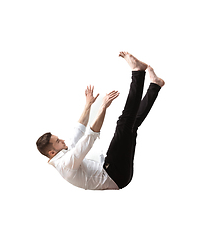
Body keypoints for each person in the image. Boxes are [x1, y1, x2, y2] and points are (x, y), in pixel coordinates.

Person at [36, 52, 165, 190]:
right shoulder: (66, 164)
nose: (62, 140)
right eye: (57, 141)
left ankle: (155, 85)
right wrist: (103, 106)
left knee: (131, 125)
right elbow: (89, 138)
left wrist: (88, 105)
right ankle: (137, 72)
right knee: (124, 123)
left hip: (116, 173)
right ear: (51, 152)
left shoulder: (63, 155)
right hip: (115, 174)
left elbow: (78, 130)